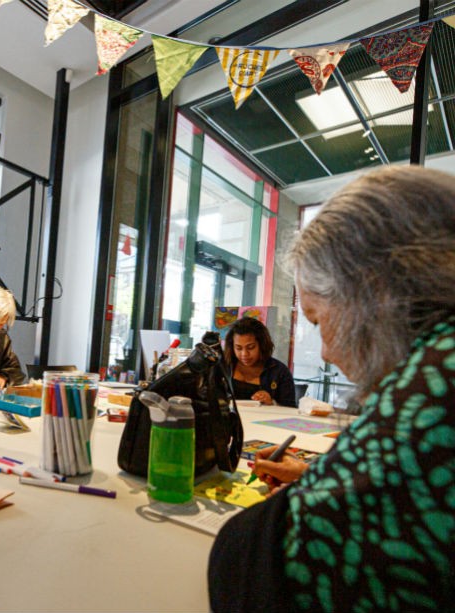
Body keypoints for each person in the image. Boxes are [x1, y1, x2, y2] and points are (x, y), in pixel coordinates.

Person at [209, 165, 455, 612]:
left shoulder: (435, 393)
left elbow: (268, 568)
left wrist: (317, 496)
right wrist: (318, 479)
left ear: (373, 292)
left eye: (320, 320)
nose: (324, 352)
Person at [223, 316, 296, 407]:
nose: (244, 354)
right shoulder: (223, 366)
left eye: (250, 347)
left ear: (262, 345)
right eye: (238, 348)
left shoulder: (279, 372)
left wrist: (272, 403)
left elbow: (291, 409)